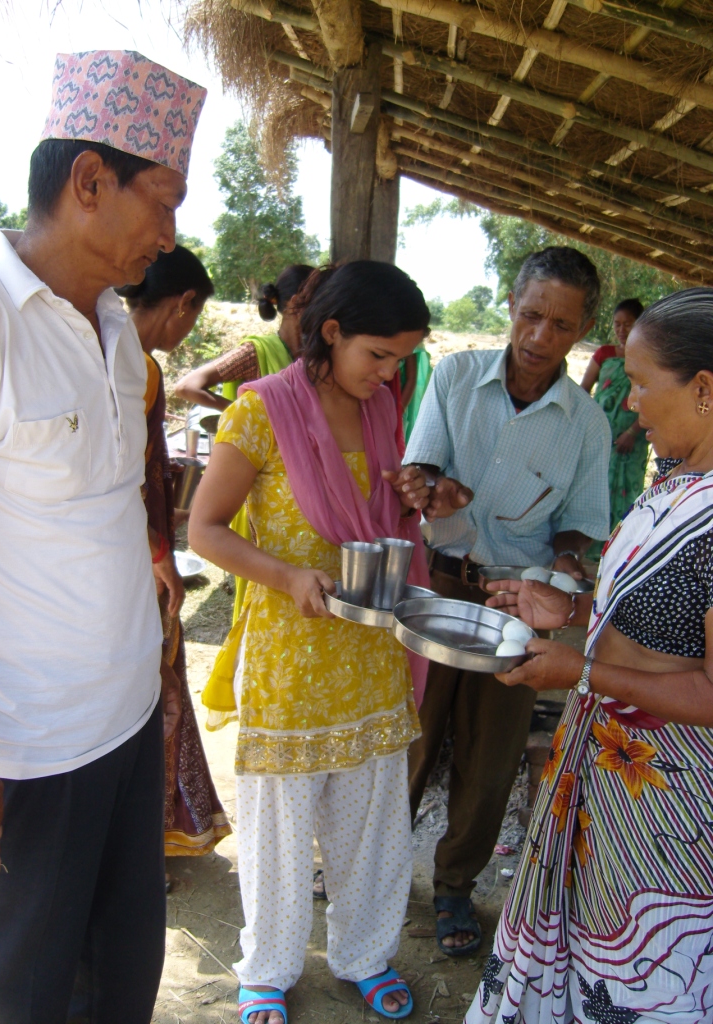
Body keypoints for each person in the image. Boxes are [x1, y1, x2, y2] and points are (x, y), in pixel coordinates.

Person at [0, 50, 205, 1023]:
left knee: (117, 986)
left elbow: (114, 485)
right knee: (10, 1001)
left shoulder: (114, 324)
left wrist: (144, 551)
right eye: (164, 199)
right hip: (22, 749)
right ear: (89, 182)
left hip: (129, 723)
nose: (172, 233)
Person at [189, 261, 434, 1024]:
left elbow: (386, 512)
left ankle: (364, 953)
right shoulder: (260, 411)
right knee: (281, 831)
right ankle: (268, 965)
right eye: (380, 355)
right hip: (291, 658)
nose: (391, 373)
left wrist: (421, 494)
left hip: (368, 650)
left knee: (371, 824)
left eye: (402, 360)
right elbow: (205, 529)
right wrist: (285, 574)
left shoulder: (381, 406)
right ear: (331, 332)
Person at [469, 286, 713, 1023]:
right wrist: (571, 611)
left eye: (640, 385)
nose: (629, 404)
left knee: (642, 968)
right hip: (607, 772)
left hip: (667, 801)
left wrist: (577, 671)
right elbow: (654, 619)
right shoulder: (677, 481)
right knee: (582, 950)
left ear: (704, 388)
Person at [404, 247, 611, 958]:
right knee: (411, 732)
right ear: (511, 305)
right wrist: (430, 488)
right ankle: (368, 864)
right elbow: (420, 467)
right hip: (437, 580)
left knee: (492, 754)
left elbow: (583, 519)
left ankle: (456, 884)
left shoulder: (586, 424)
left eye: (560, 325)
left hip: (519, 604)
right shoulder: (457, 375)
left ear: (582, 328)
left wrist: (564, 562)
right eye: (530, 316)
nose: (539, 338)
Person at [118, 245, 232, 860]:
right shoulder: (139, 369)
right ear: (184, 303)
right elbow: (144, 476)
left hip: (96, 565)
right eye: (192, 316)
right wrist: (164, 556)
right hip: (132, 564)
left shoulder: (91, 346)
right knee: (150, 691)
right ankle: (148, 834)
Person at [175, 263, 315, 623]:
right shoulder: (258, 351)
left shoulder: (312, 360)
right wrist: (248, 413)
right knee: (258, 577)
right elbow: (190, 385)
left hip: (293, 489)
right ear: (297, 304)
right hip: (252, 483)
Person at [173, 263, 315, 411]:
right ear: (295, 303)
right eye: (320, 303)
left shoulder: (314, 356)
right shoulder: (255, 353)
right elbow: (186, 387)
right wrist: (246, 414)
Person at [581, 298, 649, 538]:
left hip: (634, 441)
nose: (621, 330)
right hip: (600, 439)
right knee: (593, 489)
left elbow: (652, 400)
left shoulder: (650, 359)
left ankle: (619, 544)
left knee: (627, 491)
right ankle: (588, 548)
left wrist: (632, 432)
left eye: (628, 324)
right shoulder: (604, 354)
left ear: (640, 324)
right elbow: (583, 391)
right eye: (617, 324)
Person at [401, 342, 432, 444]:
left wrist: (397, 413)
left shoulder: (408, 335)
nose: (387, 373)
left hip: (397, 402)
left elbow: (411, 379)